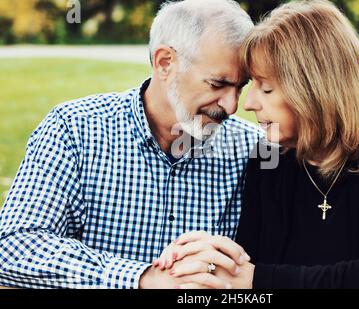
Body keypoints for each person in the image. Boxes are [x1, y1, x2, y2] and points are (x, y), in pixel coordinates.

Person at [156, 0, 359, 289]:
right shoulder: (269, 159)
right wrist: (195, 263)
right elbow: (242, 271)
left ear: (314, 90)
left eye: (265, 88)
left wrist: (261, 279)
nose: (248, 104)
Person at [0, 0, 260, 289]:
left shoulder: (252, 149)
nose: (232, 106)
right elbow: (14, 248)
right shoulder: (74, 129)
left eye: (240, 86)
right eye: (217, 84)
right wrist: (142, 278)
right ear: (165, 62)